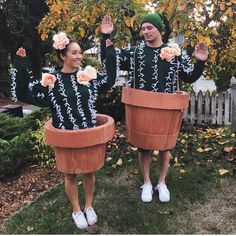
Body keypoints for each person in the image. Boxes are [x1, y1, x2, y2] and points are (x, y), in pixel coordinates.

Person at [11, 32, 116, 229]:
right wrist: (21, 65)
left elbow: (110, 80)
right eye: (74, 53)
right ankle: (77, 210)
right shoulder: (51, 81)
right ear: (62, 56)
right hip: (65, 136)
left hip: (88, 133)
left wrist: (108, 48)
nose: (79, 56)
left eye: (80, 53)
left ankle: (89, 206)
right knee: (70, 174)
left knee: (90, 172)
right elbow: (23, 93)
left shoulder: (88, 76)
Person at [101, 13, 209, 203]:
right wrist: (105, 38)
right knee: (144, 147)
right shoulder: (135, 53)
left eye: (149, 27)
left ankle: (161, 182)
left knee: (165, 147)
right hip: (142, 106)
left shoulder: (174, 52)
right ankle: (147, 182)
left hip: (167, 107)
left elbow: (190, 76)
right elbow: (111, 64)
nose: (145, 31)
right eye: (143, 28)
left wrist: (200, 62)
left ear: (159, 29)